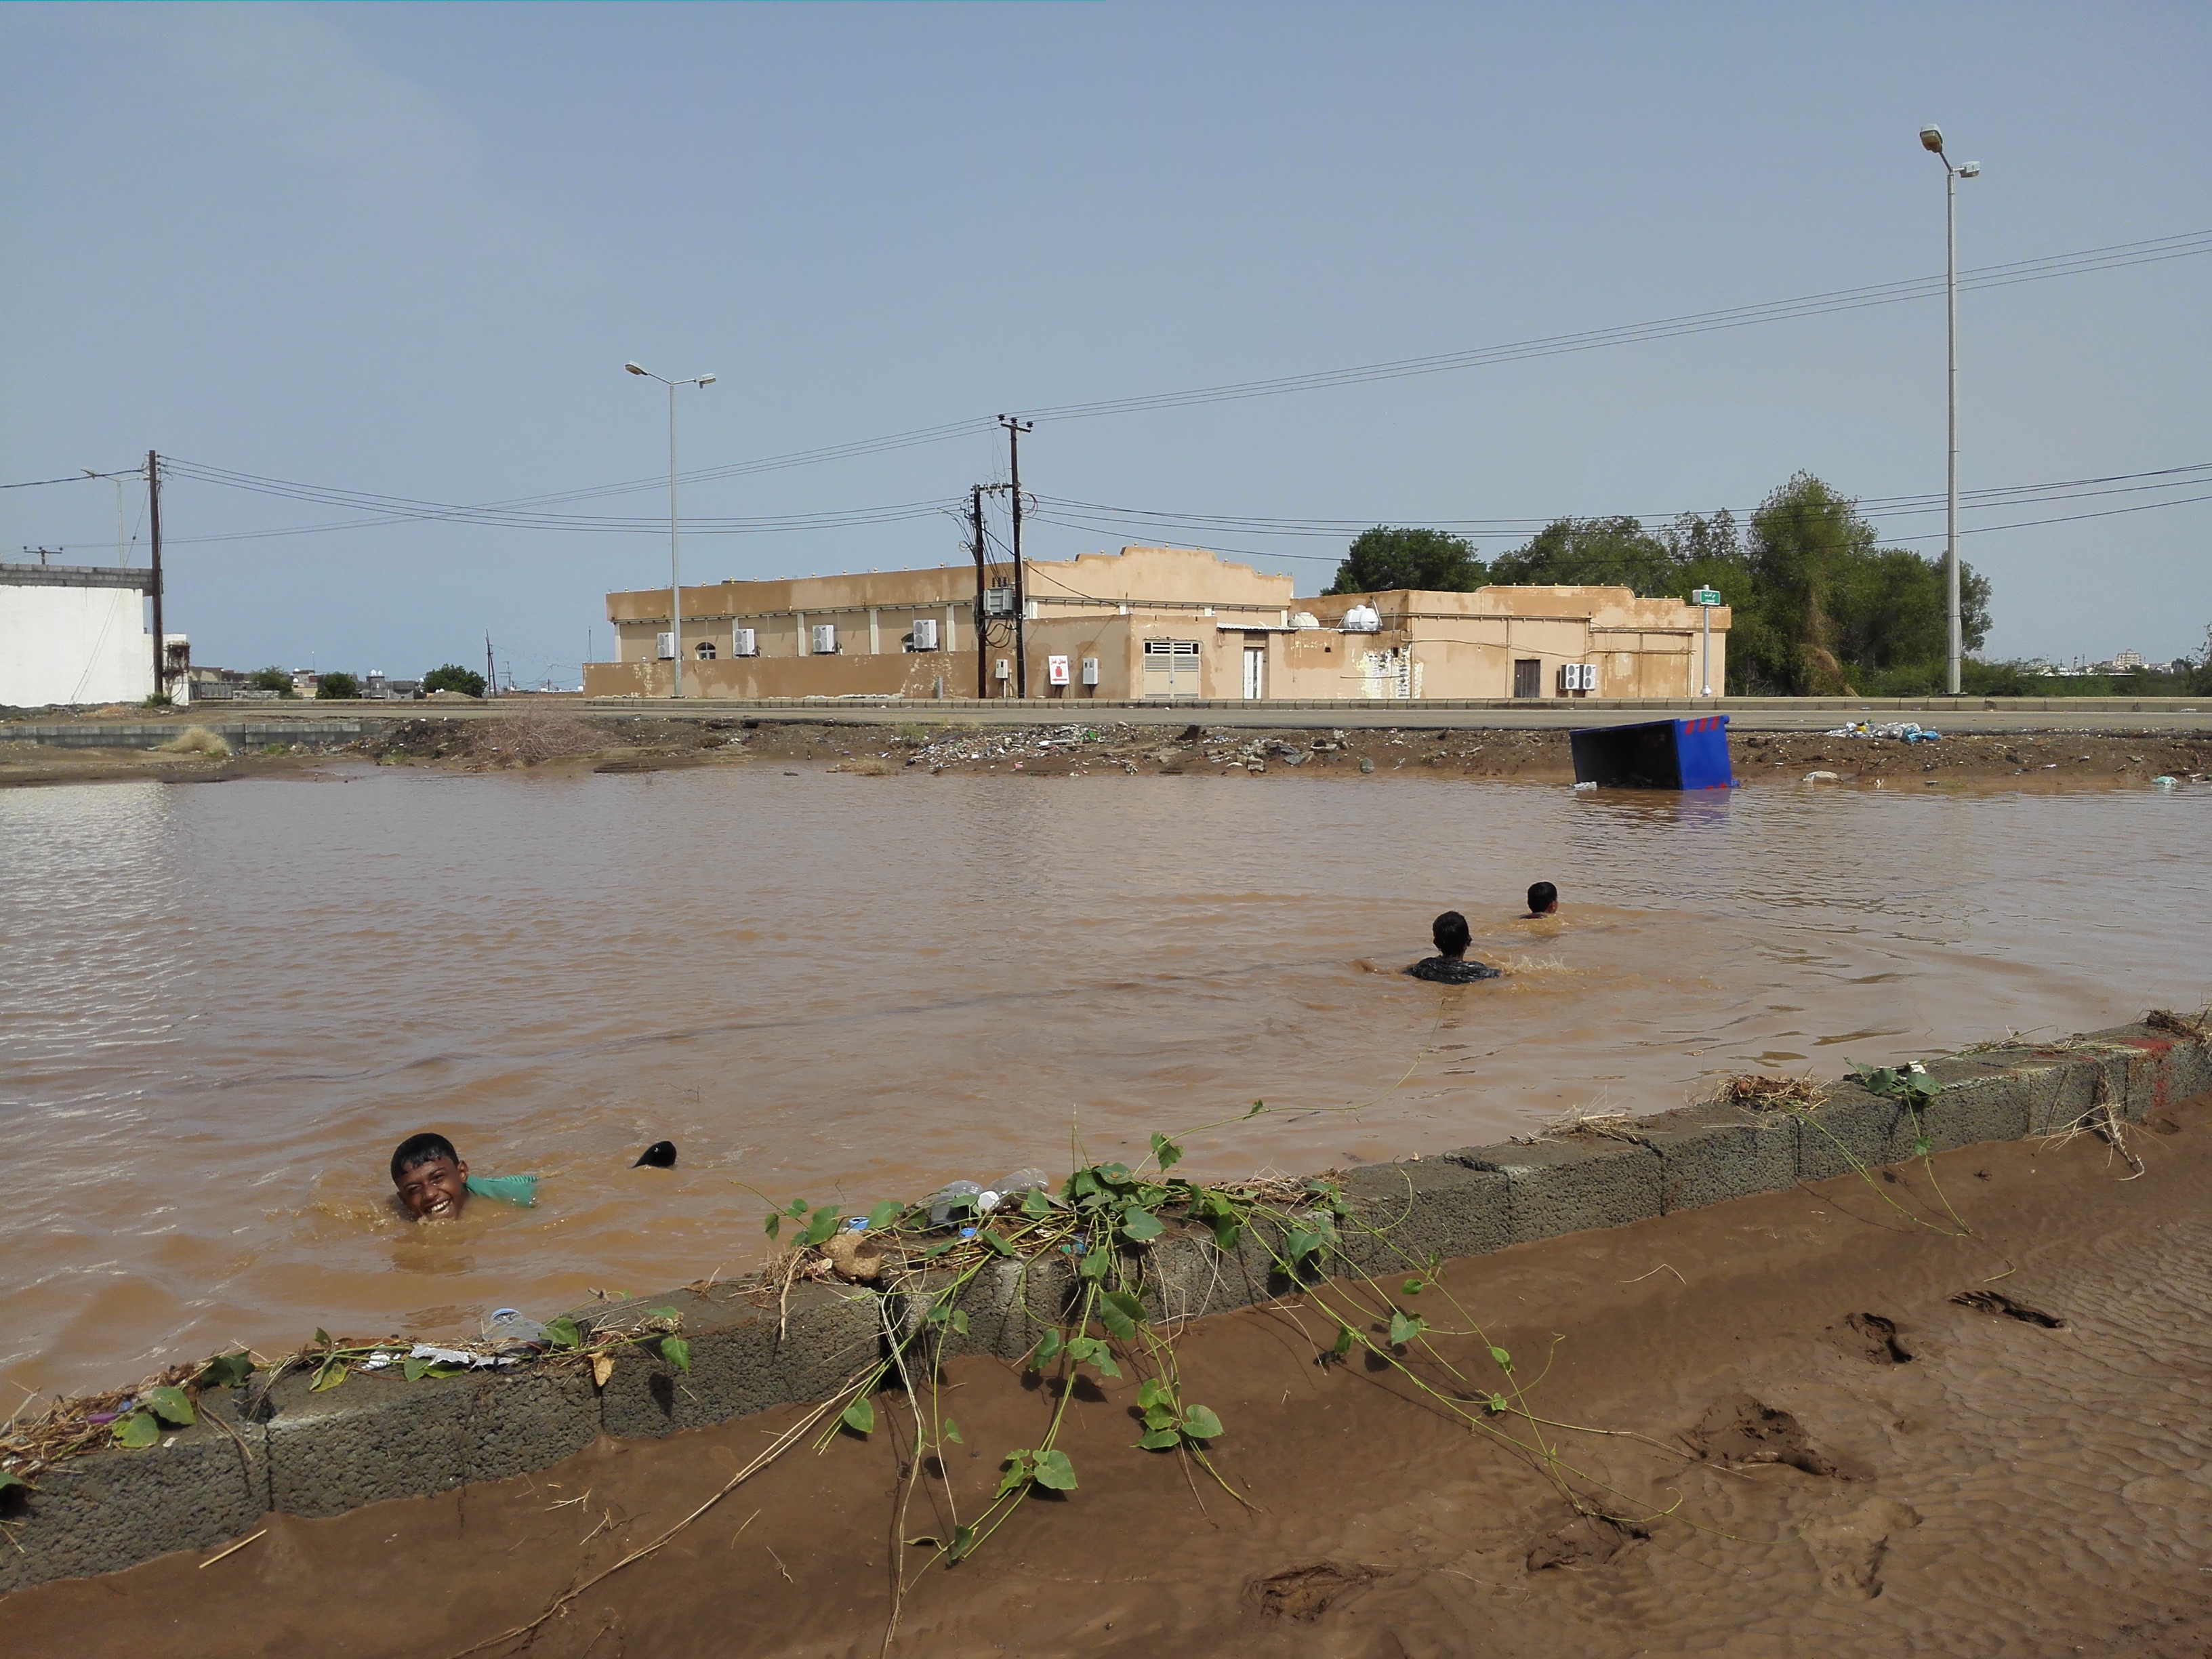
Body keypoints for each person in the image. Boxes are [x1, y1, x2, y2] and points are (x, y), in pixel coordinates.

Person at [390, 1132, 537, 1221]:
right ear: (404, 1201)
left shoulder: (516, 1196)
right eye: (414, 1189)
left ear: (462, 1173)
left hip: (516, 1183)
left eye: (437, 1178)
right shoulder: (401, 1214)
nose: (429, 1194)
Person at [1407, 910, 1500, 983]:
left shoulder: (1423, 968)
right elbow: (1502, 975)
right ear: (1468, 941)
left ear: (1436, 943)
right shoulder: (1479, 971)